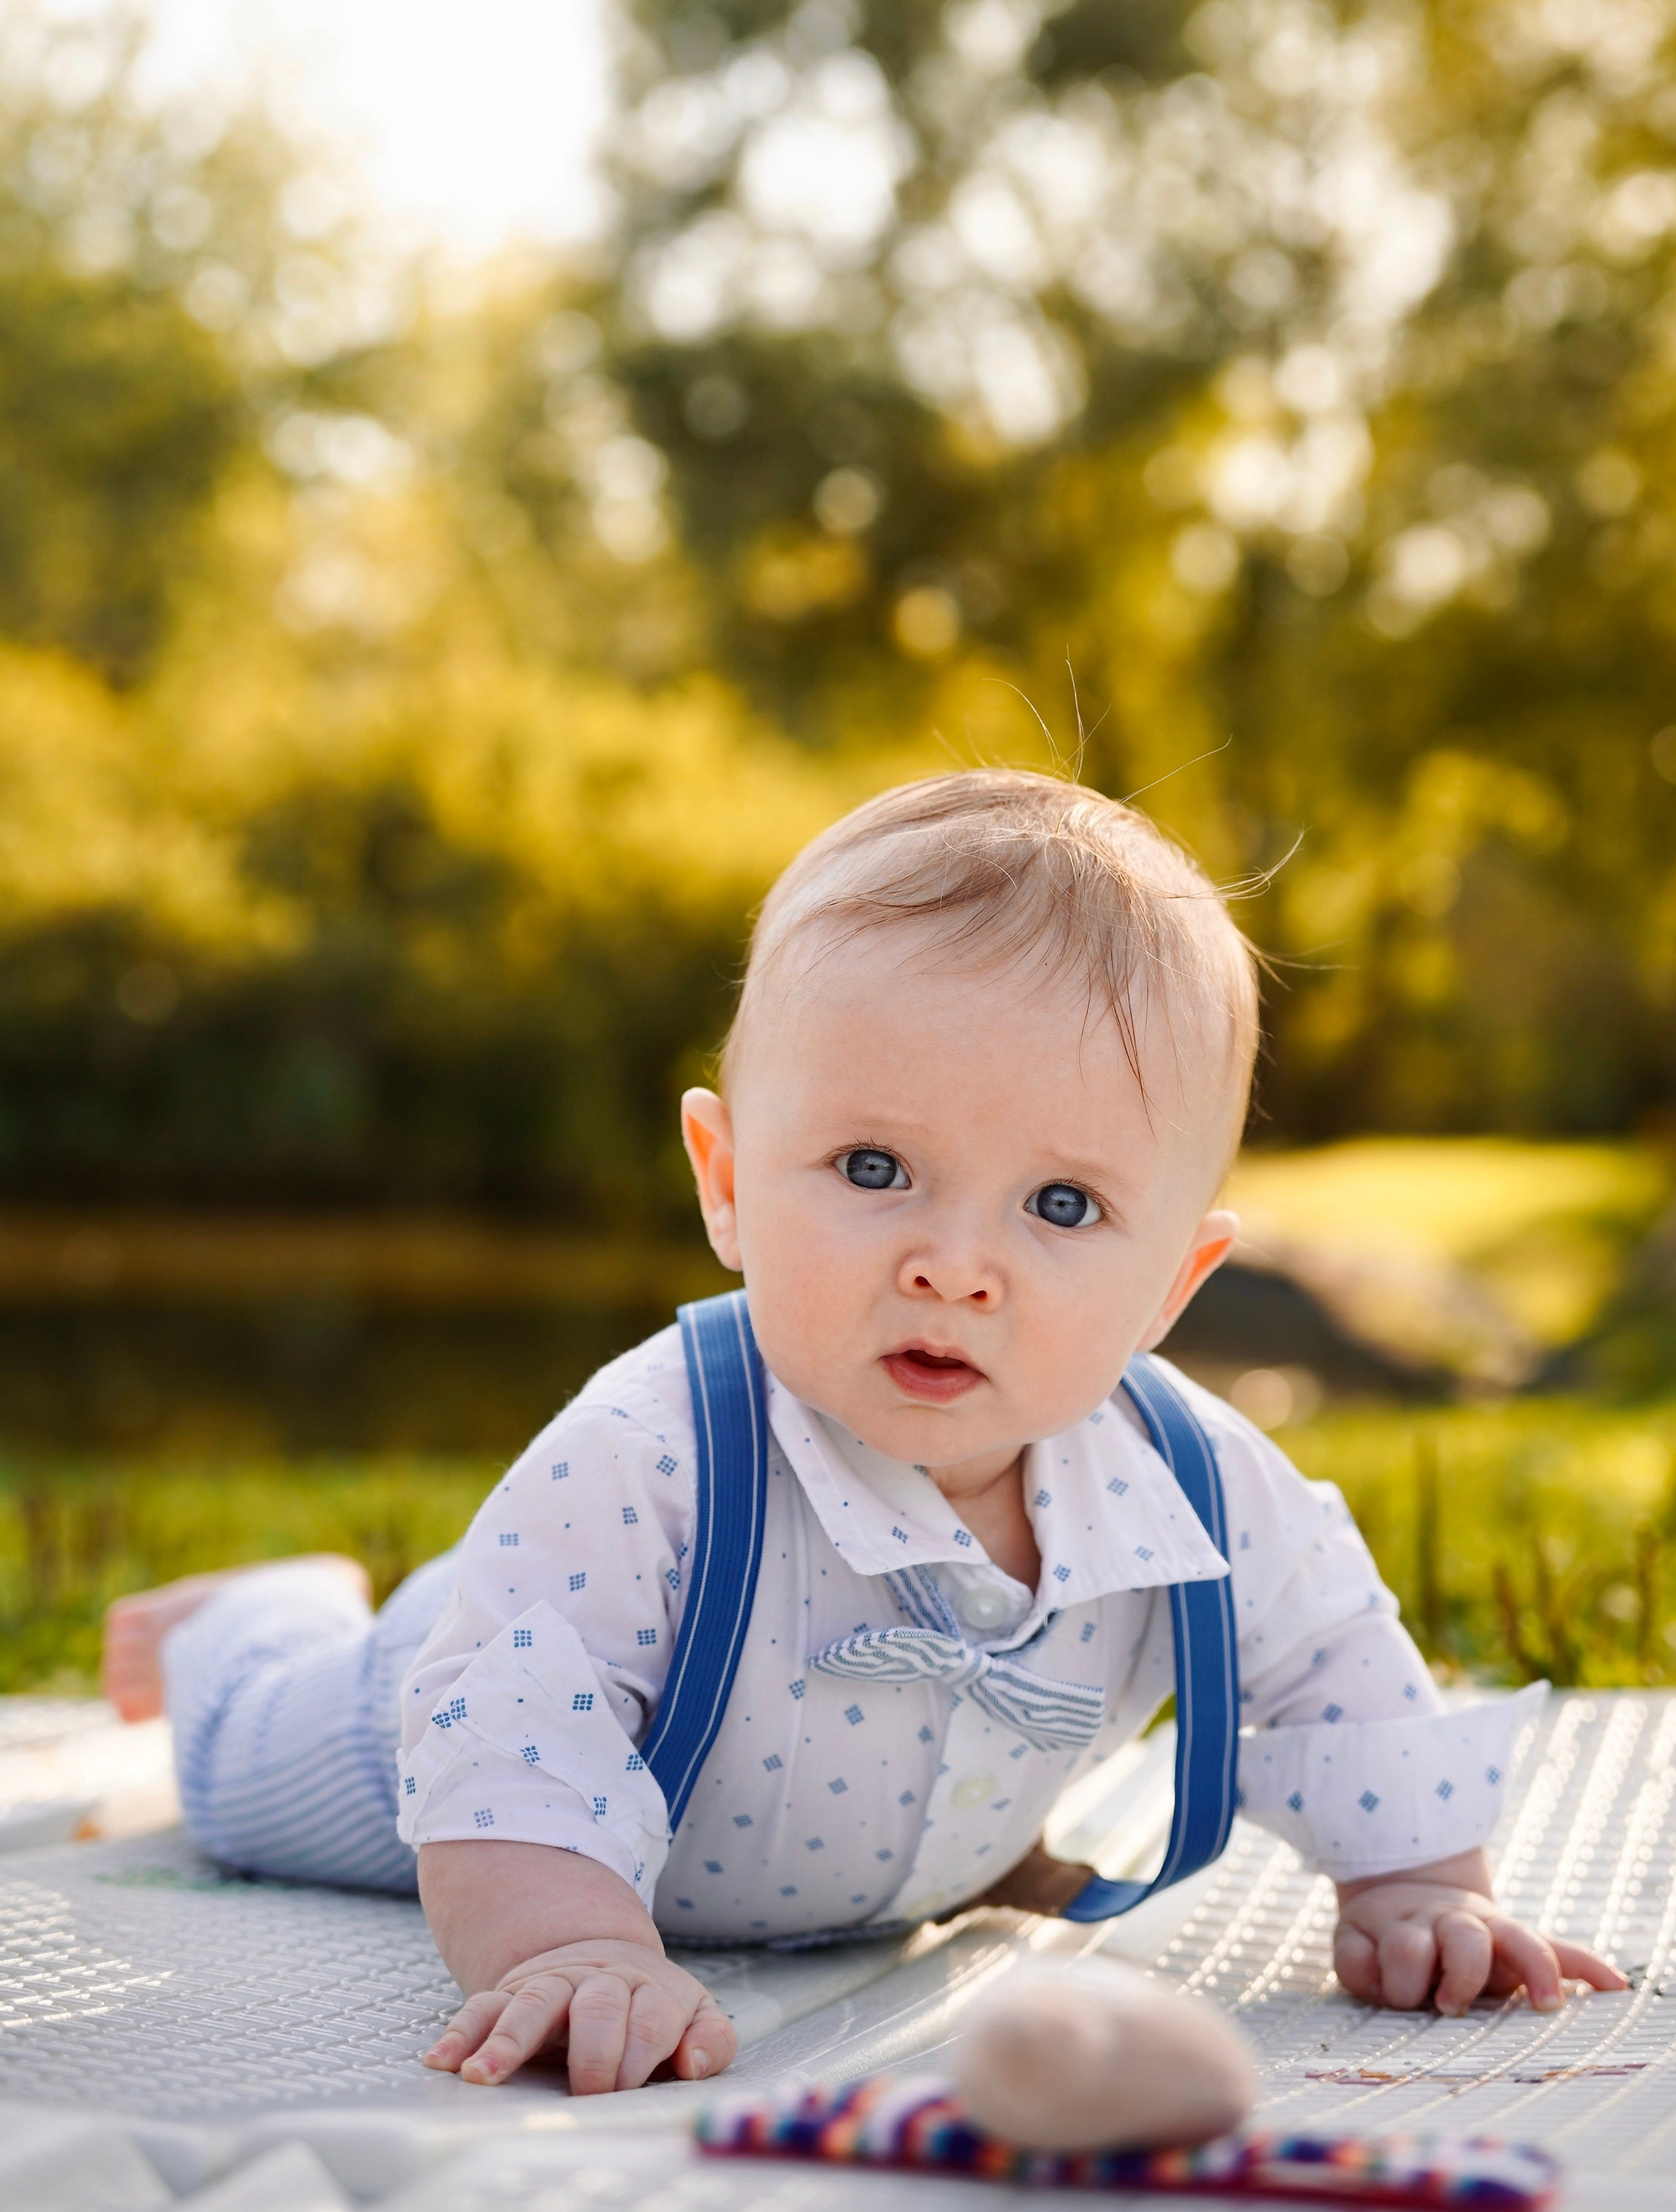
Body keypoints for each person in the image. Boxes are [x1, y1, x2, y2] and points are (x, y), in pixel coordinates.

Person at [103, 771, 1626, 2106]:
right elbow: (510, 1746)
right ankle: (246, 1617)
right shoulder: (651, 1452)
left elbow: (1333, 1663)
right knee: (239, 1748)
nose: (955, 1264)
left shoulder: (1197, 1486)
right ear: (727, 1180)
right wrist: (571, 1946)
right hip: (429, 1719)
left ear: (1172, 1283)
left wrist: (1419, 1886)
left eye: (1060, 1205)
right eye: (874, 1164)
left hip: (833, 1860)